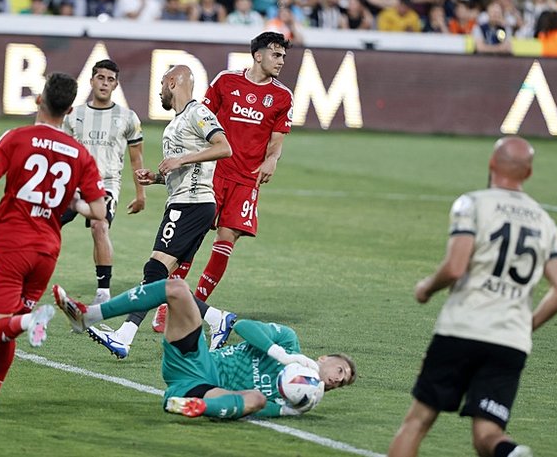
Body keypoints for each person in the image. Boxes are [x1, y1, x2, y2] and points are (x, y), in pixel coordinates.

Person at [387, 136, 557, 457]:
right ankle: (511, 453)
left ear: (491, 164)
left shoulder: (473, 203)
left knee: (417, 422)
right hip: (511, 342)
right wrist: (525, 326)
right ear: (528, 174)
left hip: (463, 329)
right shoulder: (545, 221)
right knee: (488, 434)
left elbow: (456, 267)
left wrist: (426, 288)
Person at [0, 73, 107, 421]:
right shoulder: (80, 154)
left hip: (10, 245)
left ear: (40, 100)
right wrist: (74, 201)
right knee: (9, 326)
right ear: (68, 110)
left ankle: (29, 321)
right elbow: (98, 211)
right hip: (46, 253)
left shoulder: (18, 137)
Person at [85, 65, 236, 359]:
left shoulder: (198, 113)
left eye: (161, 85)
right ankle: (218, 319)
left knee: (155, 271)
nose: (159, 92)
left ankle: (124, 336)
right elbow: (183, 167)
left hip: (192, 204)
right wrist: (155, 177)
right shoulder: (176, 123)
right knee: (167, 280)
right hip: (185, 203)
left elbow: (224, 147)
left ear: (171, 82)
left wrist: (182, 159)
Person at [53, 277, 356, 418]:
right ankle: (87, 317)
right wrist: (283, 355)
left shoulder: (300, 400)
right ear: (324, 358)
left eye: (342, 383)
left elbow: (259, 407)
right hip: (194, 361)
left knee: (254, 399)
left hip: (203, 388)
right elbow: (242, 327)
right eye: (340, 370)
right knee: (176, 288)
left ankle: (193, 406)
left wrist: (287, 412)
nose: (337, 379)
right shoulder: (288, 343)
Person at [152, 32, 293, 333]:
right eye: (276, 54)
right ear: (258, 55)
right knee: (192, 237)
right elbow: (199, 117)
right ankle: (168, 305)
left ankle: (194, 307)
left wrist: (273, 159)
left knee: (226, 239)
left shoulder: (282, 96)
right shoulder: (226, 81)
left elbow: (277, 139)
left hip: (246, 178)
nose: (281, 61)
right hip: (213, 172)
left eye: (283, 56)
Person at [60, 59, 146, 306]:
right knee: (47, 224)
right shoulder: (74, 116)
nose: (105, 83)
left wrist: (141, 195)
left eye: (110, 80)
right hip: (74, 183)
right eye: (101, 78)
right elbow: (62, 154)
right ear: (91, 81)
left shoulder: (127, 117)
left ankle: (103, 292)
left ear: (116, 85)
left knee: (100, 225)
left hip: (106, 183)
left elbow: (136, 157)